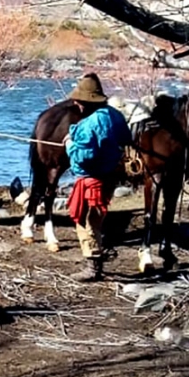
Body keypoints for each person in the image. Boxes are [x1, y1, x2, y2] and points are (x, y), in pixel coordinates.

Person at [63, 73, 133, 282]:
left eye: (79, 100)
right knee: (98, 217)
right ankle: (98, 256)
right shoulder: (114, 114)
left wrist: (69, 144)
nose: (76, 103)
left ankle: (93, 266)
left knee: (87, 221)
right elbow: (125, 139)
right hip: (110, 176)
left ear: (87, 101)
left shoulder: (89, 124)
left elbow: (83, 157)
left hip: (92, 179)